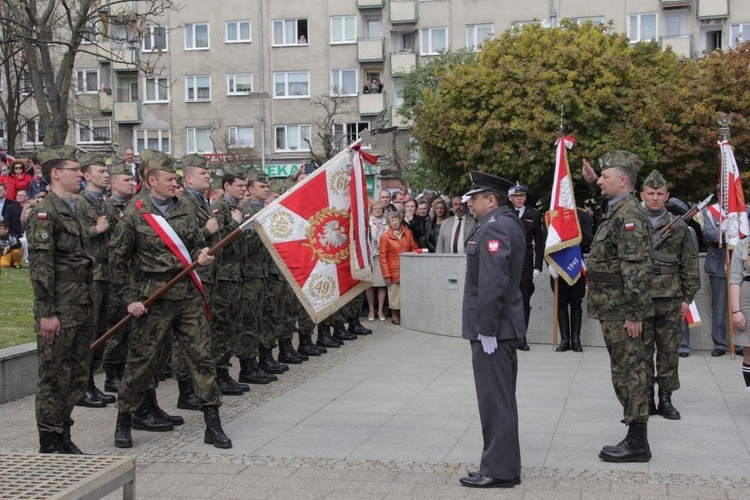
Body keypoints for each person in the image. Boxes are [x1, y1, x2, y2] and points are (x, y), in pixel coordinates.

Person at [109, 150, 231, 449]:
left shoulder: (184, 208)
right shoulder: (136, 212)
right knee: (142, 359)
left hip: (187, 293)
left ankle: (212, 424)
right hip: (153, 296)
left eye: (176, 178)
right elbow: (117, 260)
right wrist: (129, 300)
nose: (175, 183)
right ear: (151, 181)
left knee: (201, 356)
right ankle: (124, 420)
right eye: (168, 179)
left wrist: (203, 254)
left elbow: (196, 242)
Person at [585, 150, 653, 463]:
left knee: (631, 373)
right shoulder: (618, 210)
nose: (600, 181)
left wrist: (634, 314)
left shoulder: (629, 216)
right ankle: (635, 436)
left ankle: (638, 443)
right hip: (611, 308)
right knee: (623, 371)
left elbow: (636, 267)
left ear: (623, 180)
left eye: (605, 177)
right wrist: (590, 183)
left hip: (622, 310)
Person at [27, 146, 95, 454]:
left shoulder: (76, 208)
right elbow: (42, 266)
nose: (81, 174)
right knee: (54, 374)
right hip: (60, 305)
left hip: (81, 302)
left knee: (78, 372)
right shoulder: (46, 212)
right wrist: (46, 312)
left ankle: (63, 429)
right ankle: (50, 440)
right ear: (56, 173)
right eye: (74, 169)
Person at [459, 170, 524, 489]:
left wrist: (485, 329)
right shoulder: (499, 224)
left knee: (495, 400)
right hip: (499, 328)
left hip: (494, 331)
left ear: (491, 199)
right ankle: (503, 465)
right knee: (500, 399)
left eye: (475, 197)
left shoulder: (496, 227)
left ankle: (498, 470)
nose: (470, 203)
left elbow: (493, 283)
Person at [640, 170, 700, 421]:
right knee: (640, 353)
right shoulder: (632, 224)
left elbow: (689, 265)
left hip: (671, 300)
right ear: (642, 194)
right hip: (640, 298)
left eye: (660, 194)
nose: (655, 198)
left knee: (668, 351)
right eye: (651, 193)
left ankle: (665, 399)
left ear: (667, 196)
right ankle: (645, 399)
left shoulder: (680, 228)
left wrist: (687, 298)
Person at [74, 154, 117, 409]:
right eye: (100, 170)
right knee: (89, 331)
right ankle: (82, 385)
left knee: (102, 331)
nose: (105, 174)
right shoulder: (79, 204)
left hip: (107, 272)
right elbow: (75, 239)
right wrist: (96, 230)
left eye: (106, 170)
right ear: (86, 175)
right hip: (92, 274)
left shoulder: (106, 204)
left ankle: (91, 382)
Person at [551, 206, 593, 352]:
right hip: (557, 265)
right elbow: (547, 241)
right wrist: (549, 264)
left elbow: (588, 240)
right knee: (560, 303)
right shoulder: (553, 215)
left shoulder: (581, 216)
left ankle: (576, 339)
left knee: (576, 303)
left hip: (576, 264)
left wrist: (570, 240)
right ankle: (564, 339)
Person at [508, 183, 544, 351]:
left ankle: (522, 337)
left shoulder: (534, 215)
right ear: (510, 198)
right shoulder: (507, 215)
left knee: (524, 301)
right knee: (508, 300)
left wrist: (538, 267)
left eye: (522, 196)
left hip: (526, 263)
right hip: (508, 263)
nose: (519, 199)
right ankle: (510, 335)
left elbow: (539, 242)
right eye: (516, 196)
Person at [703, 185, 732, 356]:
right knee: (719, 306)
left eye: (727, 193)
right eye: (722, 193)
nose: (724, 196)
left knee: (741, 307)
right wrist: (722, 231)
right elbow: (707, 234)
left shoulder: (744, 211)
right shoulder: (709, 211)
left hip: (739, 261)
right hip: (719, 261)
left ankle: (742, 344)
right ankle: (720, 344)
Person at [379, 211, 418, 325]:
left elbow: (414, 247)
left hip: (407, 269)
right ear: (389, 223)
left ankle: (406, 314)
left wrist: (414, 253)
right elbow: (383, 257)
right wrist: (386, 274)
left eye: (396, 219)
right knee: (394, 294)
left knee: (407, 293)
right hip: (393, 269)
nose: (395, 222)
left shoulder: (408, 233)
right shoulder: (385, 237)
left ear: (400, 220)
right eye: (392, 220)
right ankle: (395, 315)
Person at [727, 236, 750, 394]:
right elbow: (735, 278)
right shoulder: (743, 244)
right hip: (747, 302)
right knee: (749, 355)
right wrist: (736, 311)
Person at [367, 201, 388, 321]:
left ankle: (380, 310)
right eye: (375, 208)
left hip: (383, 256)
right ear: (371, 210)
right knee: (370, 284)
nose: (378, 210)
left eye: (380, 208)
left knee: (381, 284)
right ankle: (371, 309)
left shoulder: (387, 222)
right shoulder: (368, 222)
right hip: (371, 256)